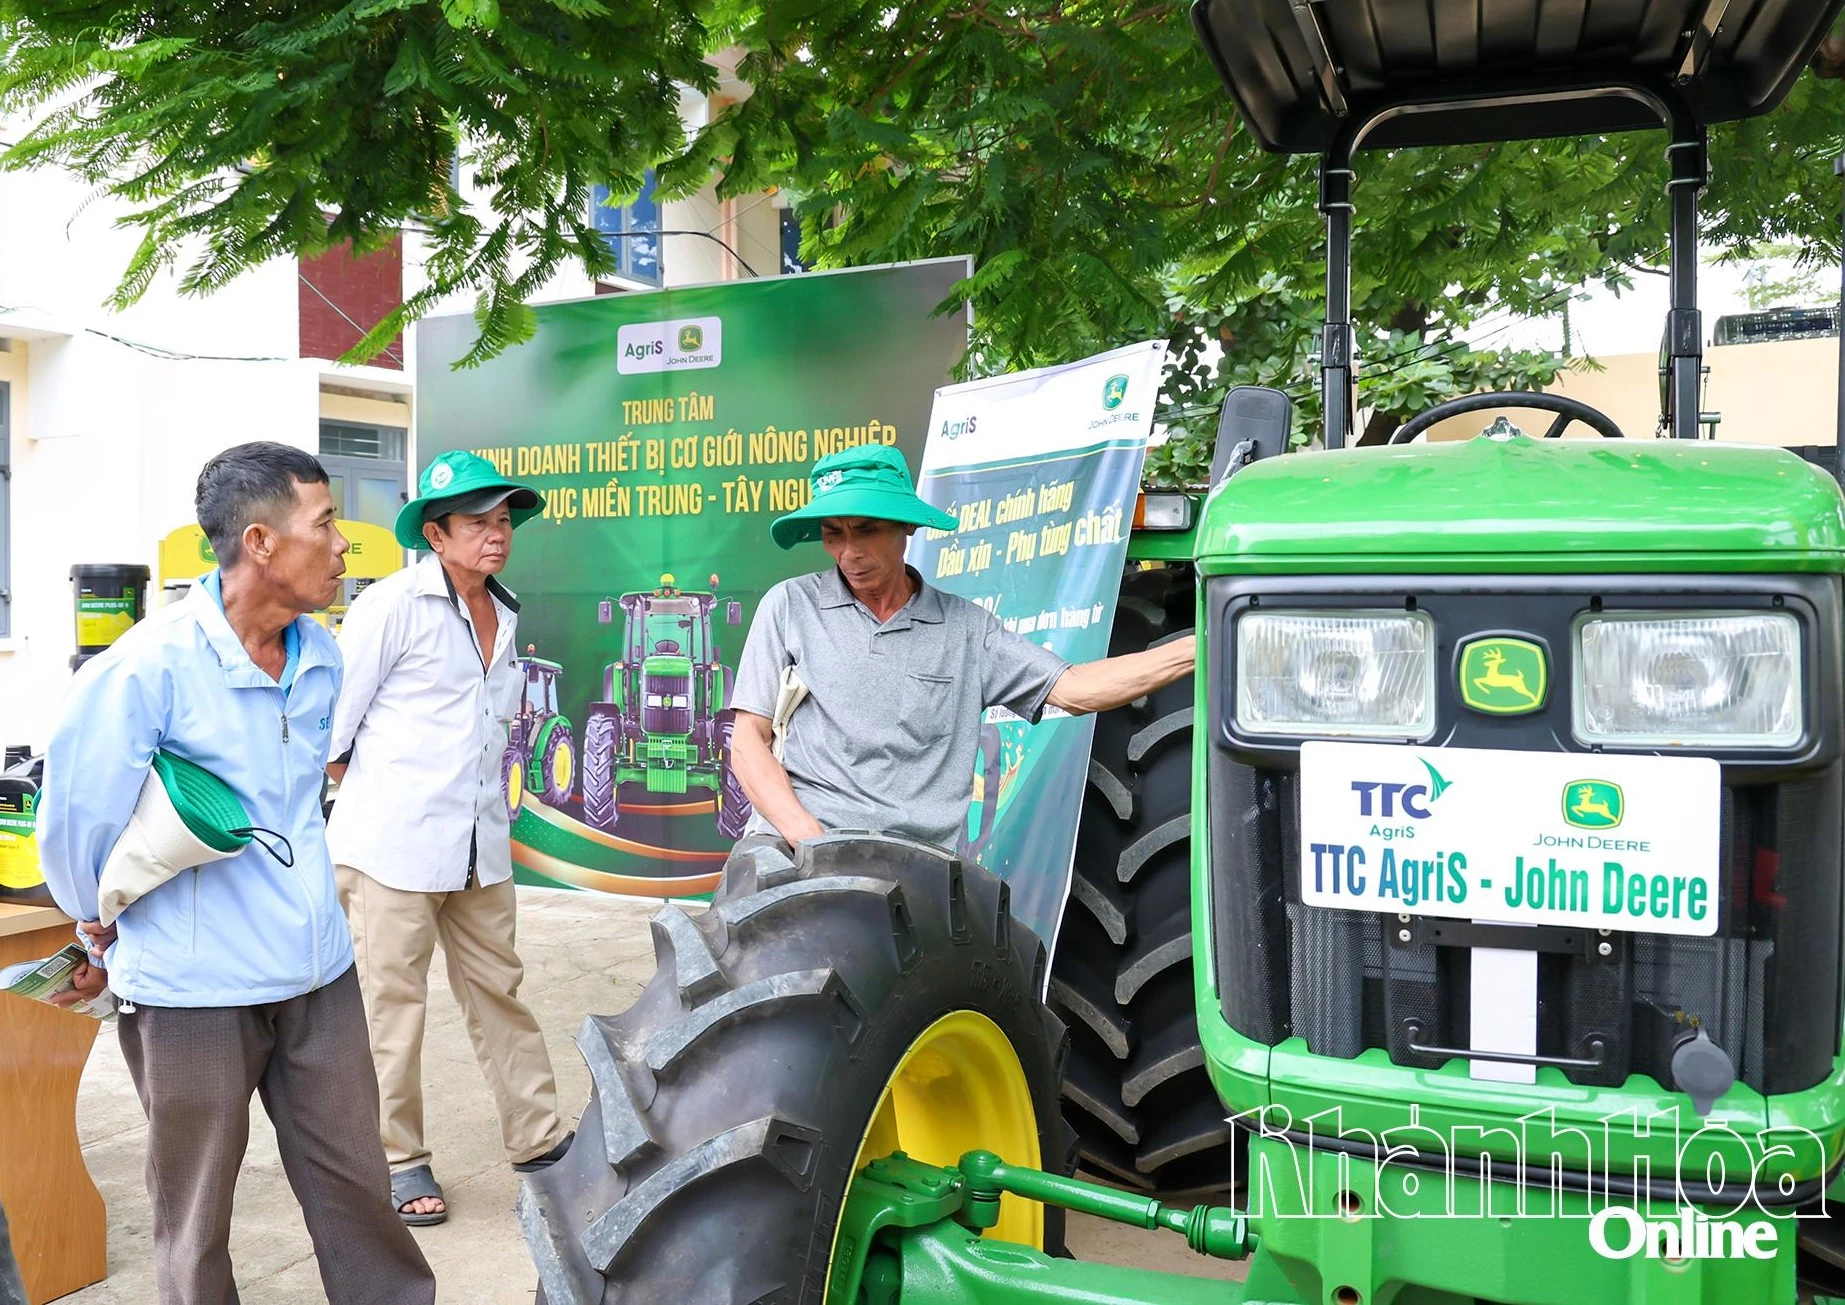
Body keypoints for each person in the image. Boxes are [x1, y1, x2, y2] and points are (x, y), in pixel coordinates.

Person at [38, 442, 435, 1305]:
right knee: (195, 1214)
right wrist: (93, 921)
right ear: (259, 541)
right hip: (192, 988)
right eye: (325, 523)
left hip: (316, 971)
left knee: (358, 1190)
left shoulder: (321, 655)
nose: (343, 546)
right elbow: (75, 825)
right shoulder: (146, 669)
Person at [325, 451, 573, 1227]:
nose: (496, 535)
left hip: (478, 847)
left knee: (500, 991)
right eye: (477, 522)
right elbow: (332, 730)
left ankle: (538, 1143)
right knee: (390, 1008)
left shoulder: (507, 610)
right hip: (392, 847)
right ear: (436, 533)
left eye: (504, 521)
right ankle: (398, 1160)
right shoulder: (391, 606)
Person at [729, 444, 1195, 852]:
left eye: (866, 530)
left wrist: (1205, 645)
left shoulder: (967, 629)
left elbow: (1076, 689)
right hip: (793, 848)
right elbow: (749, 741)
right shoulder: (790, 605)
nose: (849, 551)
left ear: (905, 528)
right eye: (834, 533)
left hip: (915, 865)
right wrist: (807, 837)